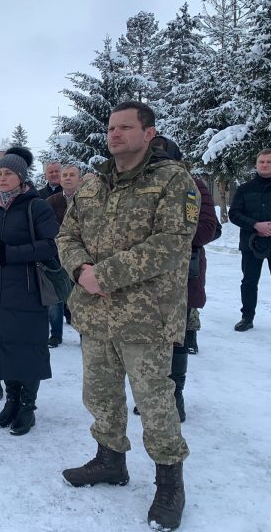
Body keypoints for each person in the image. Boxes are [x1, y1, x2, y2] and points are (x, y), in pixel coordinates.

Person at [57, 101, 197, 531]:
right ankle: (110, 460)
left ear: (148, 133)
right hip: (95, 313)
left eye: (125, 127)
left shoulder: (173, 180)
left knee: (155, 402)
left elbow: (172, 242)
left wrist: (104, 275)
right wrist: (81, 270)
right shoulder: (92, 185)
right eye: (111, 128)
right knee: (100, 395)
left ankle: (169, 482)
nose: (114, 134)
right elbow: (66, 234)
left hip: (146, 317)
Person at [0, 148, 59, 435]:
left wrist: (10, 253)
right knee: (2, 346)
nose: (2, 178)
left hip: (27, 290)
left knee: (27, 348)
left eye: (8, 173)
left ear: (21, 177)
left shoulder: (37, 206)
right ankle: (11, 401)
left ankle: (27, 407)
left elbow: (52, 245)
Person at [134, 135, 218, 423]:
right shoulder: (139, 185)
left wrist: (164, 240)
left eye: (161, 156)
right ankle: (150, 393)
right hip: (142, 276)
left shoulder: (191, 184)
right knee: (146, 337)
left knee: (176, 339)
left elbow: (206, 229)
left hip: (181, 275)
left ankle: (175, 395)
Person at [228, 148, 271, 332]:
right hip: (251, 242)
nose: (265, 165)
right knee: (249, 282)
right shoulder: (245, 189)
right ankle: (247, 317)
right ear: (256, 164)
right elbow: (234, 214)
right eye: (262, 162)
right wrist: (255, 225)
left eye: (269, 162)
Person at [45, 165, 81, 347]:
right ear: (60, 179)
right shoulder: (51, 201)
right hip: (57, 256)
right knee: (55, 297)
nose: (67, 178)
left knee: (82, 297)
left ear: (79, 179)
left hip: (82, 256)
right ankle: (56, 334)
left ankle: (84, 335)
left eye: (72, 175)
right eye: (64, 175)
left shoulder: (89, 199)